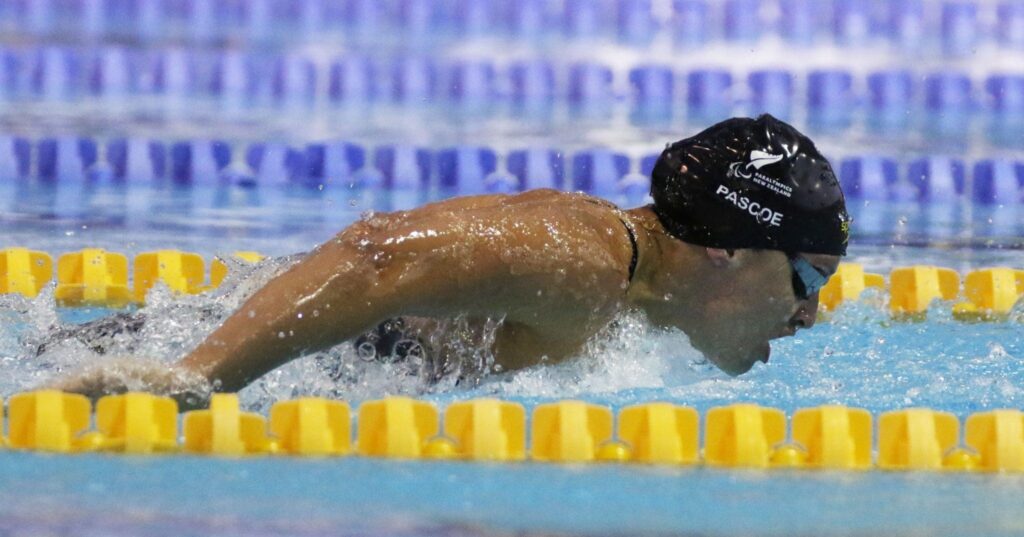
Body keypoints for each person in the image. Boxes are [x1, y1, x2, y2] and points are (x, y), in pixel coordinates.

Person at [50, 114, 850, 409]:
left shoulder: (630, 297)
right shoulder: (587, 262)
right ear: (728, 246)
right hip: (194, 357)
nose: (808, 313)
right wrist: (204, 376)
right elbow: (374, 253)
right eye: (810, 277)